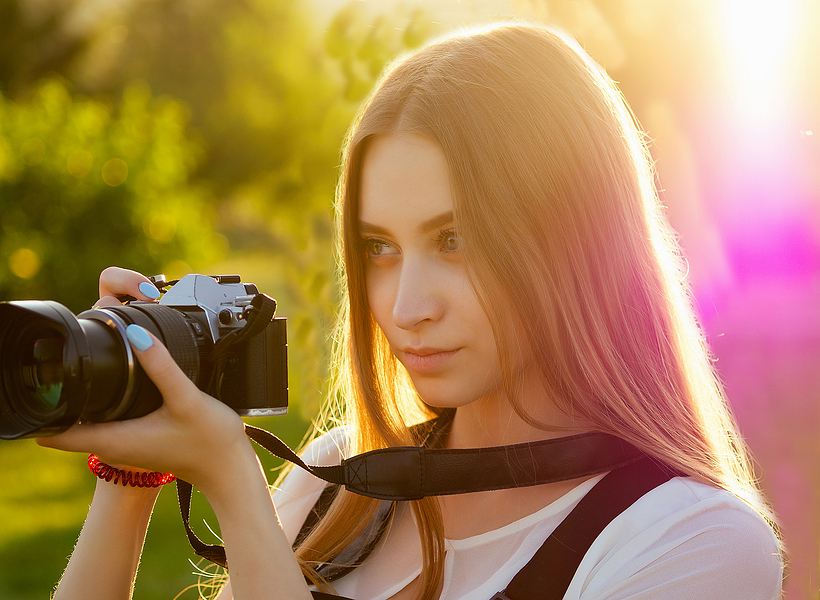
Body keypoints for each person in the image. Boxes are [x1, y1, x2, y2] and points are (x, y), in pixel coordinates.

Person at [38, 22, 783, 600]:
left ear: (574, 237)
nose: (406, 306)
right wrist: (129, 472)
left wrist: (235, 482)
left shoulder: (694, 541)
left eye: (454, 239)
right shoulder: (337, 478)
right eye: (378, 247)